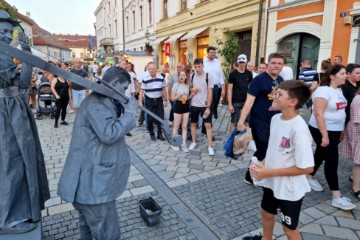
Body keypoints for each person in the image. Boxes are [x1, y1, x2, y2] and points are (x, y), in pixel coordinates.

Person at [57, 67, 137, 240]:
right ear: (115, 83)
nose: (124, 93)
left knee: (89, 229)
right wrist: (130, 113)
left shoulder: (101, 99)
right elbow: (108, 133)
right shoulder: (96, 103)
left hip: (92, 185)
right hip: (94, 186)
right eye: (123, 88)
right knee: (108, 234)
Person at [244, 80, 314, 240]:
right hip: (271, 181)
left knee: (289, 228)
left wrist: (269, 172)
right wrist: (262, 164)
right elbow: (274, 148)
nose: (274, 96)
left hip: (289, 189)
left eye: (279, 94)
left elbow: (308, 168)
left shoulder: (299, 128)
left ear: (293, 102)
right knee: (266, 214)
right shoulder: (276, 119)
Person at [0, 10, 50, 234]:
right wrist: (27, 51)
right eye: (2, 31)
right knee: (14, 160)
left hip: (12, 108)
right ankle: (12, 216)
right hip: (9, 110)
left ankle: (16, 211)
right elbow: (23, 83)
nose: (6, 36)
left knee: (16, 159)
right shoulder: (1, 55)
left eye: (9, 32)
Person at [307, 64, 356, 210]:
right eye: (342, 74)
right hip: (321, 129)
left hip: (334, 130)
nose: (346, 76)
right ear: (332, 76)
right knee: (332, 160)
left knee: (321, 154)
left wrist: (340, 130)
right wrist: (324, 136)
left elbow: (341, 111)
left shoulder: (339, 90)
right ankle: (336, 196)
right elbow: (318, 114)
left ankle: (308, 176)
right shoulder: (323, 91)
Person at [237, 53, 285, 185]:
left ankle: (249, 176)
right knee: (265, 151)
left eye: (279, 63)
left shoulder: (280, 79)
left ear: (283, 66)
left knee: (262, 150)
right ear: (268, 64)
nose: (276, 65)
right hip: (259, 121)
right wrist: (241, 122)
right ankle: (259, 177)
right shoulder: (259, 80)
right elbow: (249, 101)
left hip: (274, 122)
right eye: (273, 63)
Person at [189, 58, 215, 156]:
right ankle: (194, 142)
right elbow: (190, 88)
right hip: (194, 104)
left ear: (202, 65)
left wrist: (208, 107)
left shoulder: (208, 76)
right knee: (193, 124)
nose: (197, 69)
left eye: (199, 66)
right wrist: (192, 89)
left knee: (208, 125)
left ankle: (210, 146)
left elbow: (210, 92)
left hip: (204, 105)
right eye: (195, 67)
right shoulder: (192, 75)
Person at [138, 63, 168, 141]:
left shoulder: (161, 78)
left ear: (156, 69)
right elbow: (141, 91)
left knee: (160, 117)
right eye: (150, 69)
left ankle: (159, 134)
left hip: (159, 100)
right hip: (149, 100)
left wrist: (165, 99)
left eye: (153, 69)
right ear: (148, 69)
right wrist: (140, 101)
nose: (151, 70)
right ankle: (152, 134)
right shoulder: (145, 78)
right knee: (150, 118)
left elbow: (163, 89)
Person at [341, 89, 360, 200]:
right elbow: (358, 125)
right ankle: (356, 188)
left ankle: (354, 177)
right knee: (359, 162)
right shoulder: (358, 99)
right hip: (358, 133)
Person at [228, 54, 253, 133]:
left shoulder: (249, 73)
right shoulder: (233, 74)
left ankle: (246, 140)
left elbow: (251, 87)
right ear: (237, 63)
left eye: (243, 62)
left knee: (247, 121)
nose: (242, 64)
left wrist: (251, 101)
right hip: (235, 101)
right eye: (240, 62)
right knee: (234, 121)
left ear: (246, 63)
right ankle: (231, 141)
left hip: (246, 101)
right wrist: (229, 104)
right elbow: (229, 89)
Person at [170, 70, 194, 152]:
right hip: (178, 105)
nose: (182, 76)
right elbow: (172, 98)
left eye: (184, 75)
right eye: (181, 75)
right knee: (176, 126)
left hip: (186, 105)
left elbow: (187, 98)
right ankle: (173, 143)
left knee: (184, 126)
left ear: (186, 77)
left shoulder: (187, 85)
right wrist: (179, 95)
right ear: (179, 77)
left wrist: (192, 94)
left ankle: (183, 143)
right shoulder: (175, 85)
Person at [203, 46, 225, 119]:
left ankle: (208, 120)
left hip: (215, 87)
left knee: (213, 104)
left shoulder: (217, 62)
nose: (213, 54)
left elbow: (220, 75)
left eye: (214, 53)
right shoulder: (203, 62)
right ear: (207, 53)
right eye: (211, 53)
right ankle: (206, 121)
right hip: (205, 87)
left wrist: (223, 88)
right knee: (206, 104)